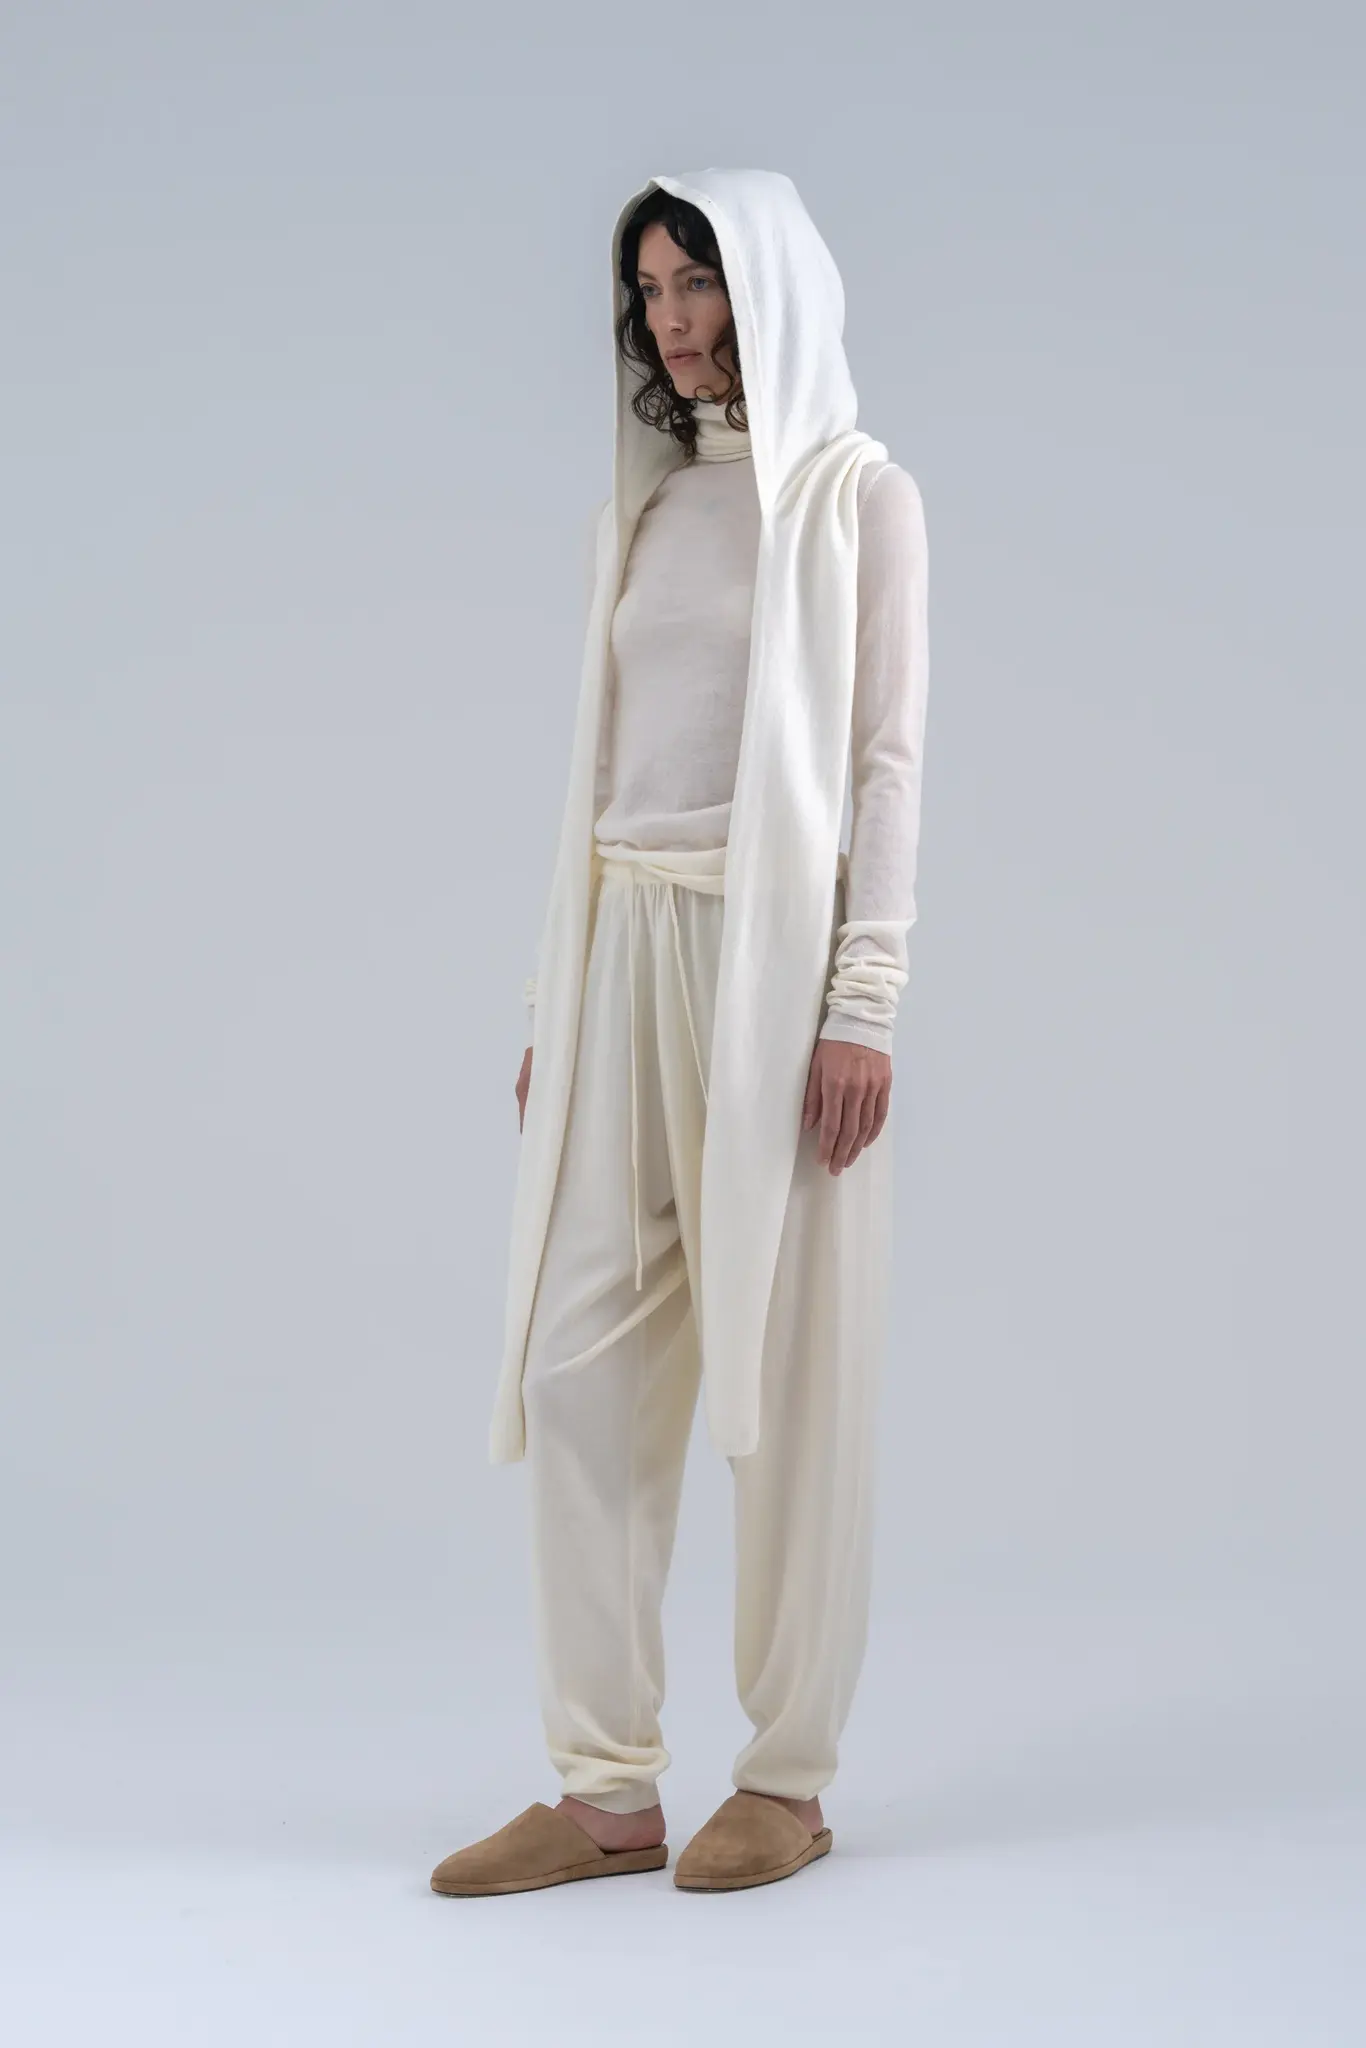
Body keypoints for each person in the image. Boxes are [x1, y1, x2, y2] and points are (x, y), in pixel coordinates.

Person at [432, 168, 929, 1898]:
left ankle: (786, 1778)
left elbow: (884, 764)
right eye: (648, 291)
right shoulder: (640, 515)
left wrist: (861, 998)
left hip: (770, 962)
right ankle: (603, 1789)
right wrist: (551, 1000)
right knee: (576, 1364)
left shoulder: (857, 500)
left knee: (785, 1376)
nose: (672, 321)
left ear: (767, 288)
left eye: (696, 284)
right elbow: (594, 776)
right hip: (622, 944)